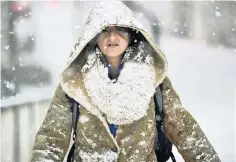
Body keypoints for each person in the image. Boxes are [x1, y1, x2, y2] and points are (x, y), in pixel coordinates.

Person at [31, 2, 220, 162]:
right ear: (93, 36)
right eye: (104, 30)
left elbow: (184, 131)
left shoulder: (153, 79)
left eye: (120, 29)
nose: (112, 37)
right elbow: (51, 140)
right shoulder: (74, 83)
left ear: (131, 34)